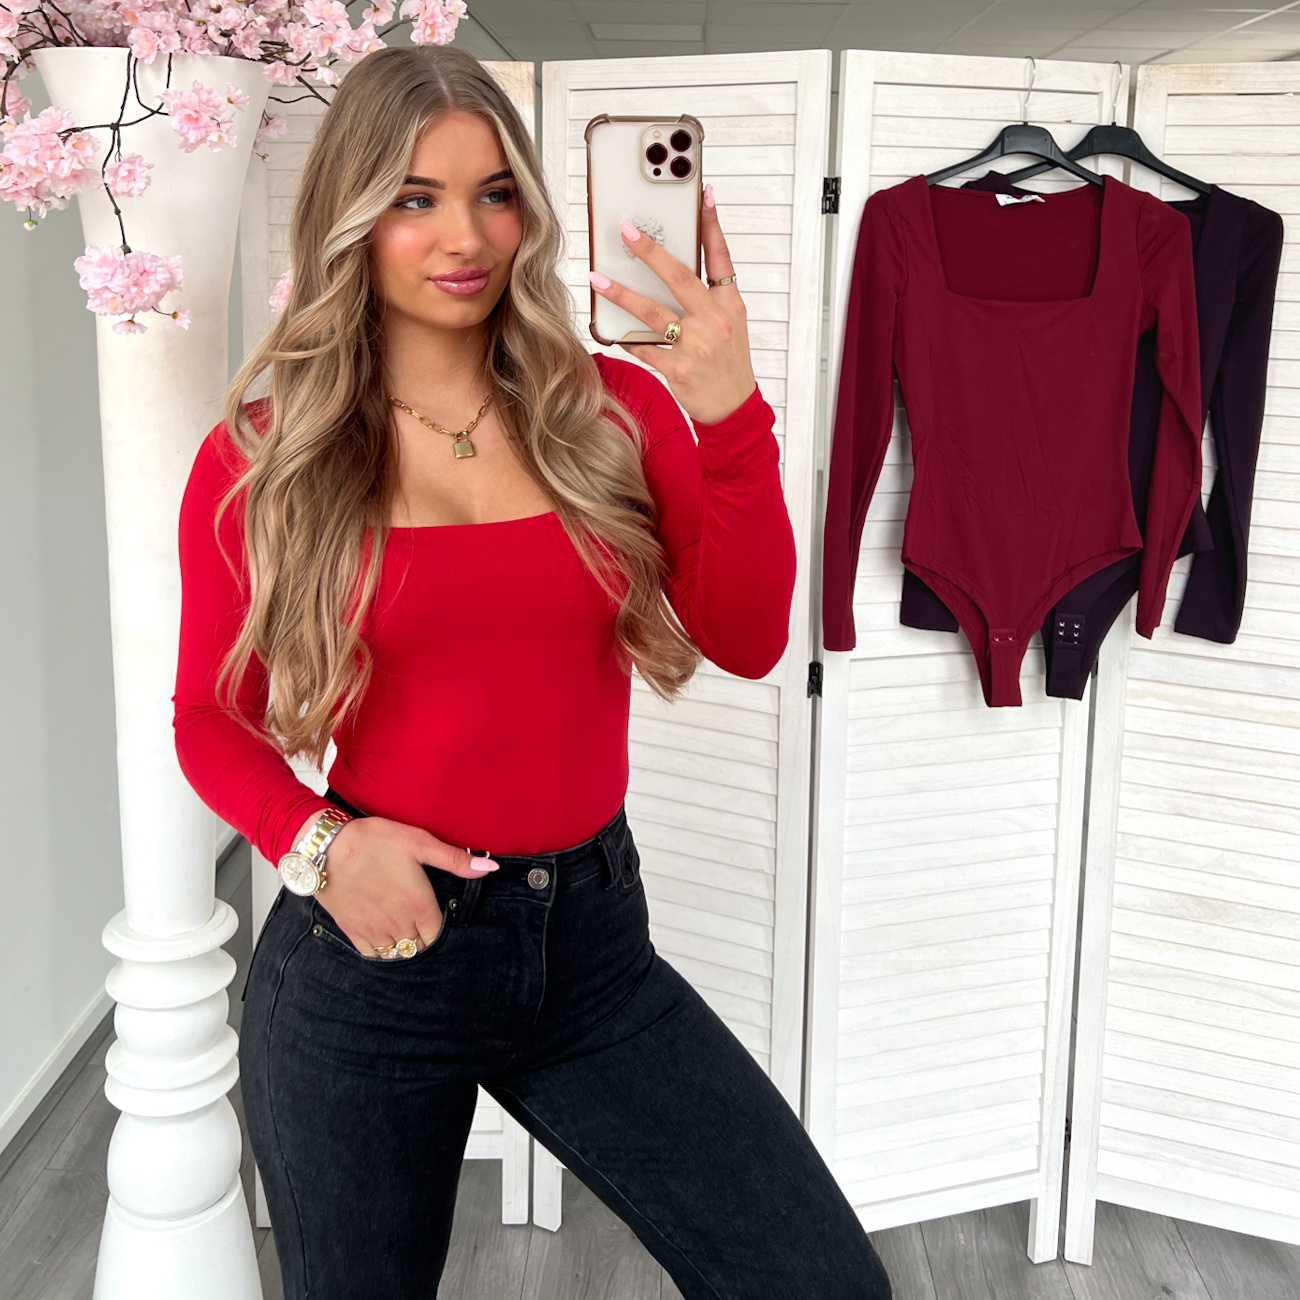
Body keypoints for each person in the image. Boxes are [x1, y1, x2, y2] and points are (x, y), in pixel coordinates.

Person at [172, 42, 893, 1300]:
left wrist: (731, 415)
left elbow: (748, 637)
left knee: (819, 1281)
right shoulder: (265, 455)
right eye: (416, 197)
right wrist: (320, 844)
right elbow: (204, 717)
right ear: (350, 216)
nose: (467, 236)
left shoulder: (612, 411)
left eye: (495, 193)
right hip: (370, 961)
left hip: (591, 950)